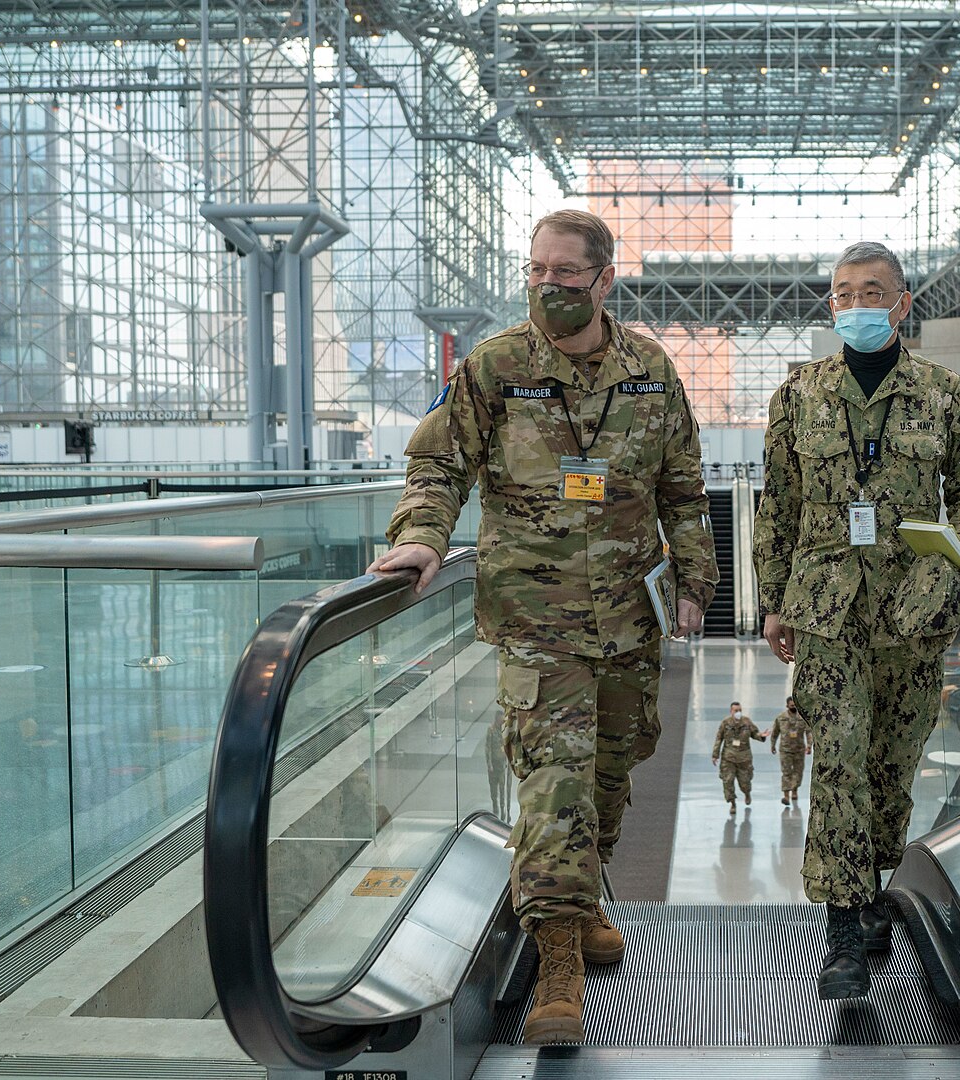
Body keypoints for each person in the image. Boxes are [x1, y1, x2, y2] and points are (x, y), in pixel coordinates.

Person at [366, 209, 718, 1045]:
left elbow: (683, 485)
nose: (548, 286)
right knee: (552, 785)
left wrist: (698, 583)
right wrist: (420, 536)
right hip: (535, 618)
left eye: (566, 272)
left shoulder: (649, 369)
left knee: (610, 773)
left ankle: (585, 892)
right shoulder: (496, 367)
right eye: (536, 270)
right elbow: (438, 461)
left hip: (633, 615)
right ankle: (557, 955)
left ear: (603, 279)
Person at [754, 240, 960, 1000]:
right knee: (838, 768)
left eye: (872, 291)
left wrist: (944, 568)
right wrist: (771, 600)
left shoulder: (945, 396)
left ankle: (871, 888)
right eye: (842, 292)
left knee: (891, 770)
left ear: (903, 303)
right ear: (831, 304)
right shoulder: (798, 396)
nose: (854, 303)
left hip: (911, 613)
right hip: (826, 609)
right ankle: (843, 934)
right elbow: (778, 506)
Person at [711, 701, 766, 814]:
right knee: (728, 781)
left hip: (744, 758)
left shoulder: (746, 722)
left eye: (740, 710)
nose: (738, 713)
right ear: (731, 711)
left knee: (745, 782)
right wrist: (715, 755)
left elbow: (755, 733)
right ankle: (733, 803)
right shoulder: (725, 723)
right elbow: (718, 739)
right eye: (736, 711)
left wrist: (761, 736)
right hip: (728, 758)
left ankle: (747, 793)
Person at [770, 696, 812, 806]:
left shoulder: (803, 718)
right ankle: (786, 796)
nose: (793, 707)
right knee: (786, 772)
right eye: (791, 705)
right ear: (787, 705)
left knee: (798, 772)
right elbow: (775, 733)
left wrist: (809, 745)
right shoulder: (781, 718)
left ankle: (794, 790)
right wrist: (772, 745)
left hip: (799, 749)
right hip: (785, 750)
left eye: (795, 705)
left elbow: (808, 732)